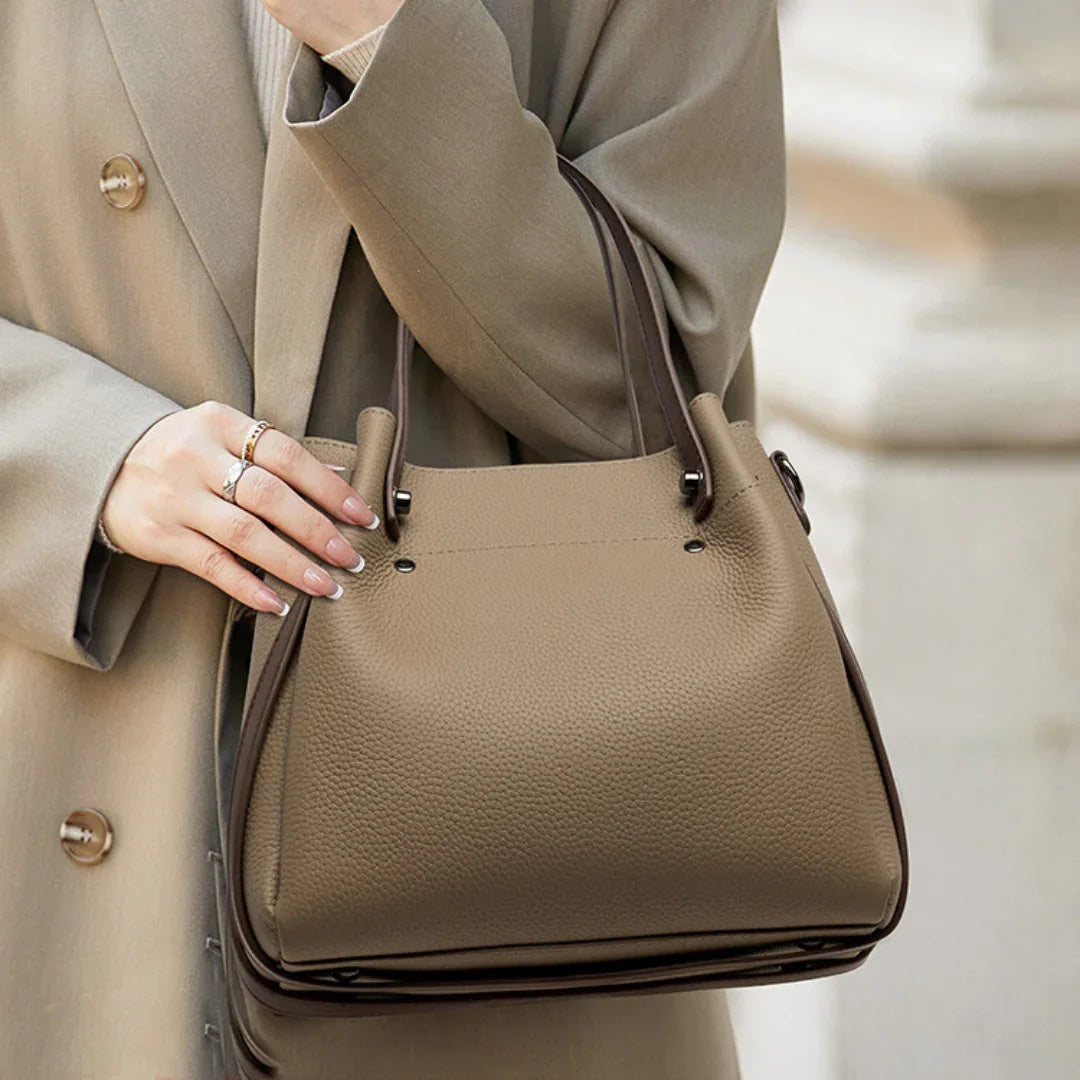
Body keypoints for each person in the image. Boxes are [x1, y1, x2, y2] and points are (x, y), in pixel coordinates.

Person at [0, 0, 785, 1075]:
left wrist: (389, 50)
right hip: (73, 798)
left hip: (509, 870)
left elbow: (651, 395)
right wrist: (82, 455)